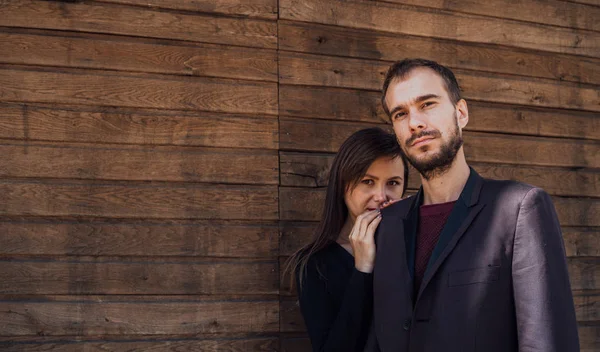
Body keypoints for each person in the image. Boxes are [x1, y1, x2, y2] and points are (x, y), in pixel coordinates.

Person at [366, 58, 579, 351]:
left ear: (461, 112)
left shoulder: (519, 209)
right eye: (400, 113)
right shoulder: (388, 224)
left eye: (427, 104)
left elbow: (546, 341)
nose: (414, 122)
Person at [286, 127, 409, 352]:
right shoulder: (316, 265)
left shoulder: (414, 248)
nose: (381, 196)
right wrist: (362, 270)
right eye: (368, 182)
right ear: (343, 185)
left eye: (393, 183)